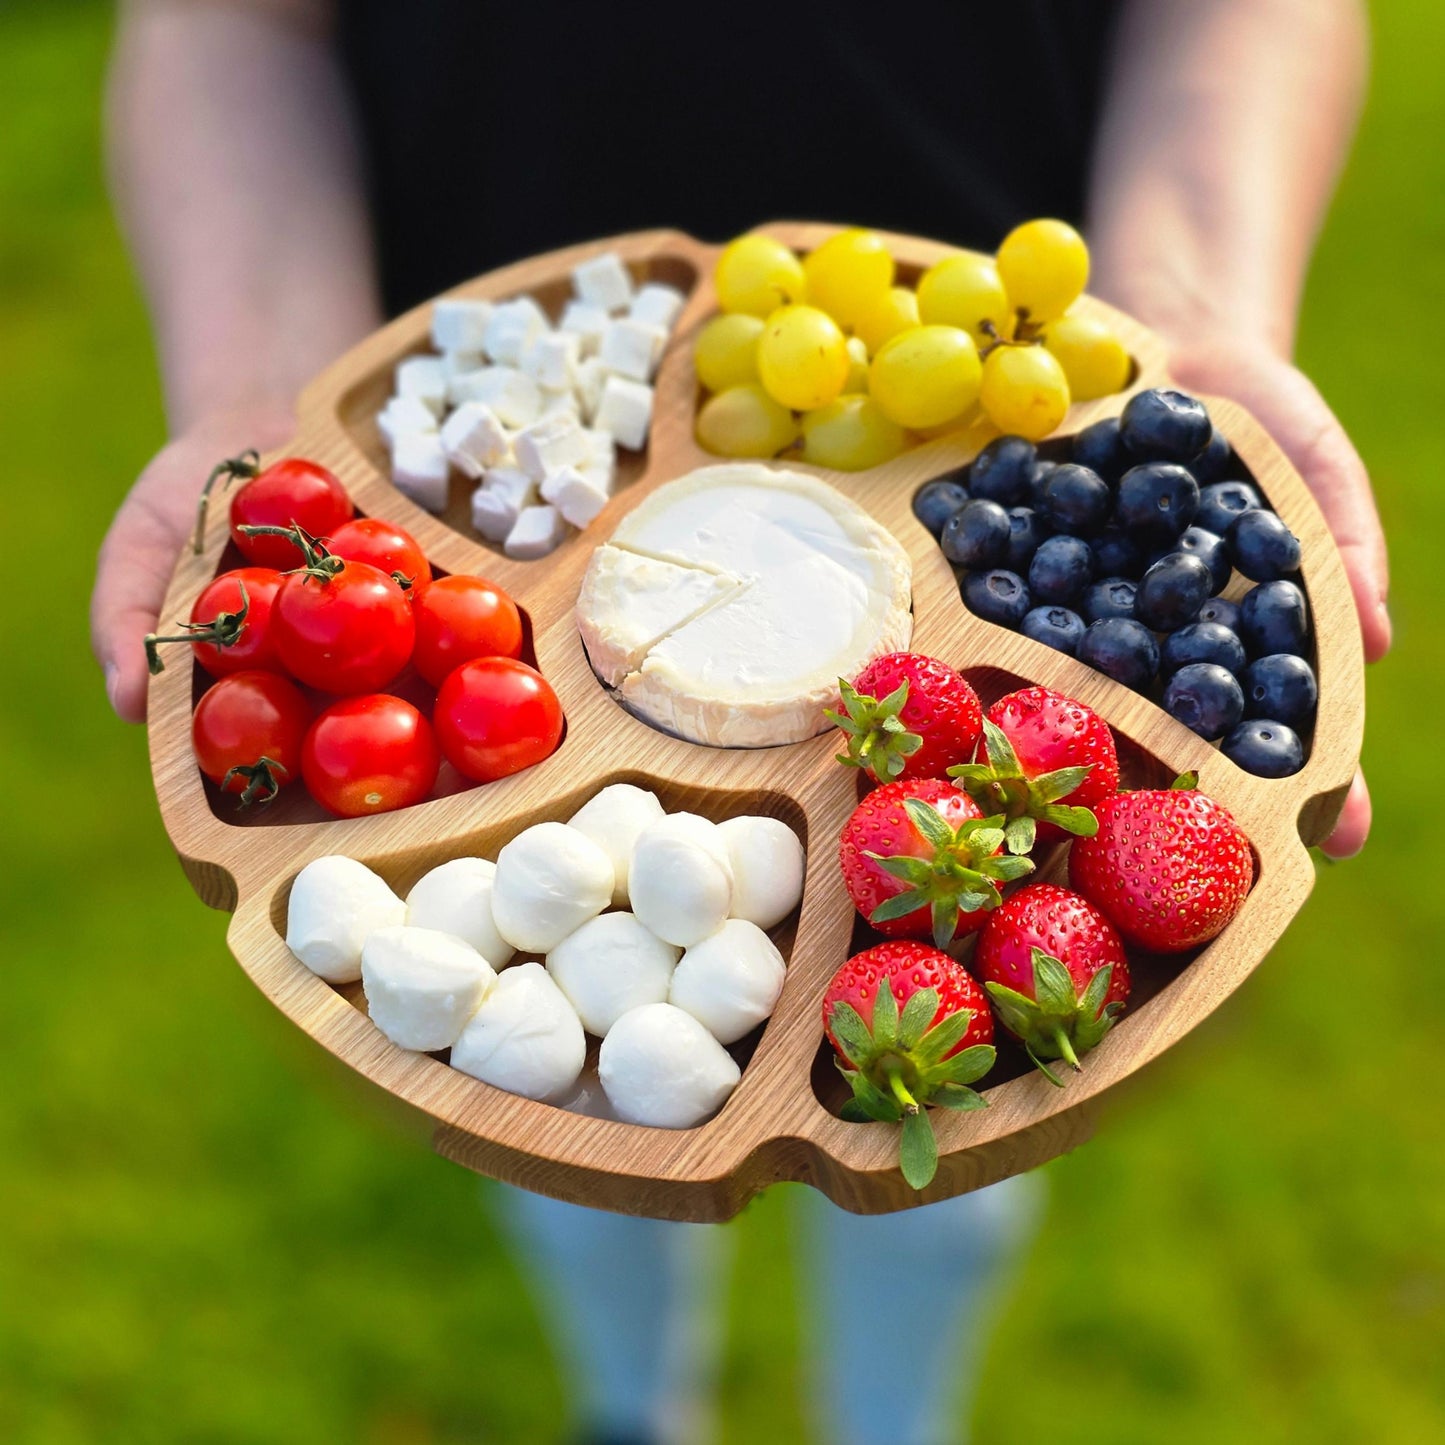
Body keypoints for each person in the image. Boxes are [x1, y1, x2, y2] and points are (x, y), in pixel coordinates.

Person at [91, 3, 1387, 1442]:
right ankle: (634, 1405)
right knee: (551, 1132)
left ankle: (894, 1420)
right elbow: (235, 28)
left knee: (953, 1178)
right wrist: (253, 390)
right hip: (493, 346)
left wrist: (1194, 319)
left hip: (979, 382)